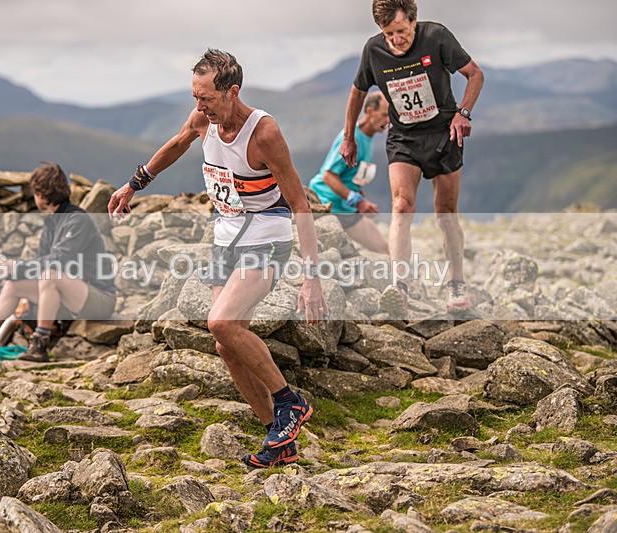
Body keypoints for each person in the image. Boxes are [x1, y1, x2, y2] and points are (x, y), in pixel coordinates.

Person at [108, 49, 327, 468]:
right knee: (227, 345)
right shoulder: (203, 120)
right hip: (224, 238)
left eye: (206, 98)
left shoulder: (263, 132)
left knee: (221, 322)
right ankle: (279, 440)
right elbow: (175, 145)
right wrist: (133, 185)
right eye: (194, 96)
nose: (198, 106)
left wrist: (312, 278)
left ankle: (289, 402)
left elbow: (300, 202)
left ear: (232, 92)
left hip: (266, 235)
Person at [339, 0, 484, 315]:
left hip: (445, 134)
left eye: (401, 31)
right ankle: (399, 287)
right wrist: (348, 136)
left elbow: (475, 75)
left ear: (414, 21)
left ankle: (457, 283)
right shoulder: (374, 50)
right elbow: (357, 92)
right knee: (401, 205)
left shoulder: (437, 36)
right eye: (389, 33)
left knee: (445, 212)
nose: (396, 40)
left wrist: (464, 113)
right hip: (404, 137)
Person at [0, 162, 117, 363]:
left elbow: (59, 261)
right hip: (69, 295)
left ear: (41, 195)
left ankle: (40, 344)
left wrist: (16, 266)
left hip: (100, 299)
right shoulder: (52, 221)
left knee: (50, 275)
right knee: (13, 284)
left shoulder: (77, 220)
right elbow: (42, 265)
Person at [309, 92, 390, 255]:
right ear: (369, 112)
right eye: (384, 115)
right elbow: (328, 175)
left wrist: (362, 199)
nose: (388, 121)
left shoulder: (368, 138)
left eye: (390, 116)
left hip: (347, 206)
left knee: (384, 248)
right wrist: (357, 201)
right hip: (328, 203)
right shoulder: (352, 138)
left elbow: (351, 176)